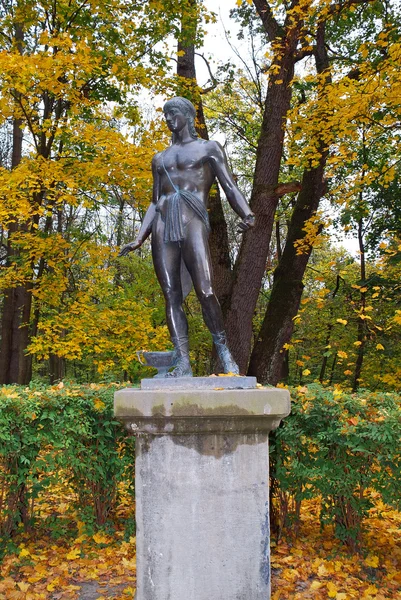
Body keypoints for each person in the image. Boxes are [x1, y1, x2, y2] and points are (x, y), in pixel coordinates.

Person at [119, 97, 254, 377]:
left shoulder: (208, 148)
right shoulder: (160, 158)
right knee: (171, 295)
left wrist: (247, 214)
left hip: (193, 220)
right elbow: (155, 203)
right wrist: (139, 238)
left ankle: (224, 352)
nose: (168, 119)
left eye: (173, 113)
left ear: (188, 116)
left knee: (206, 290)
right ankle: (182, 361)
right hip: (163, 225)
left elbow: (229, 186)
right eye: (165, 114)